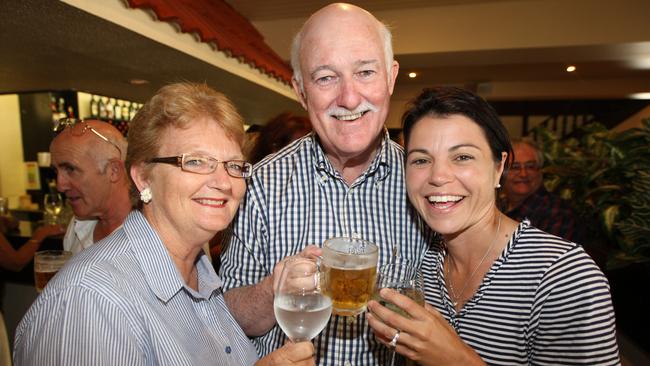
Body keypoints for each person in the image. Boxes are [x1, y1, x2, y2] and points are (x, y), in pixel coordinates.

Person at [13, 82, 314, 365]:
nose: (224, 182)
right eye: (196, 161)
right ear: (143, 176)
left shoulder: (197, 270)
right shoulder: (92, 299)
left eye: (233, 165)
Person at [220, 3, 433, 365]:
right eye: (325, 78)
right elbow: (225, 318)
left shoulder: (428, 186)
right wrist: (273, 290)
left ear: (391, 77)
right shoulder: (258, 185)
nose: (349, 98)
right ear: (302, 91)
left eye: (365, 71)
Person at [366, 87, 620, 365]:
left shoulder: (563, 276)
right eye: (421, 160)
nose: (438, 176)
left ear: (499, 167)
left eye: (462, 156)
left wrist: (458, 361)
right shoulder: (422, 265)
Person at [50, 119, 132, 254]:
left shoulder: (154, 236)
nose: (60, 186)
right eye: (55, 171)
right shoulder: (78, 226)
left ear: (113, 171)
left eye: (70, 169)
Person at [501, 138, 585, 243]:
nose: (523, 174)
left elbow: (548, 258)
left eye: (530, 167)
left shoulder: (557, 213)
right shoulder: (498, 207)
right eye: (515, 167)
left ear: (540, 171)